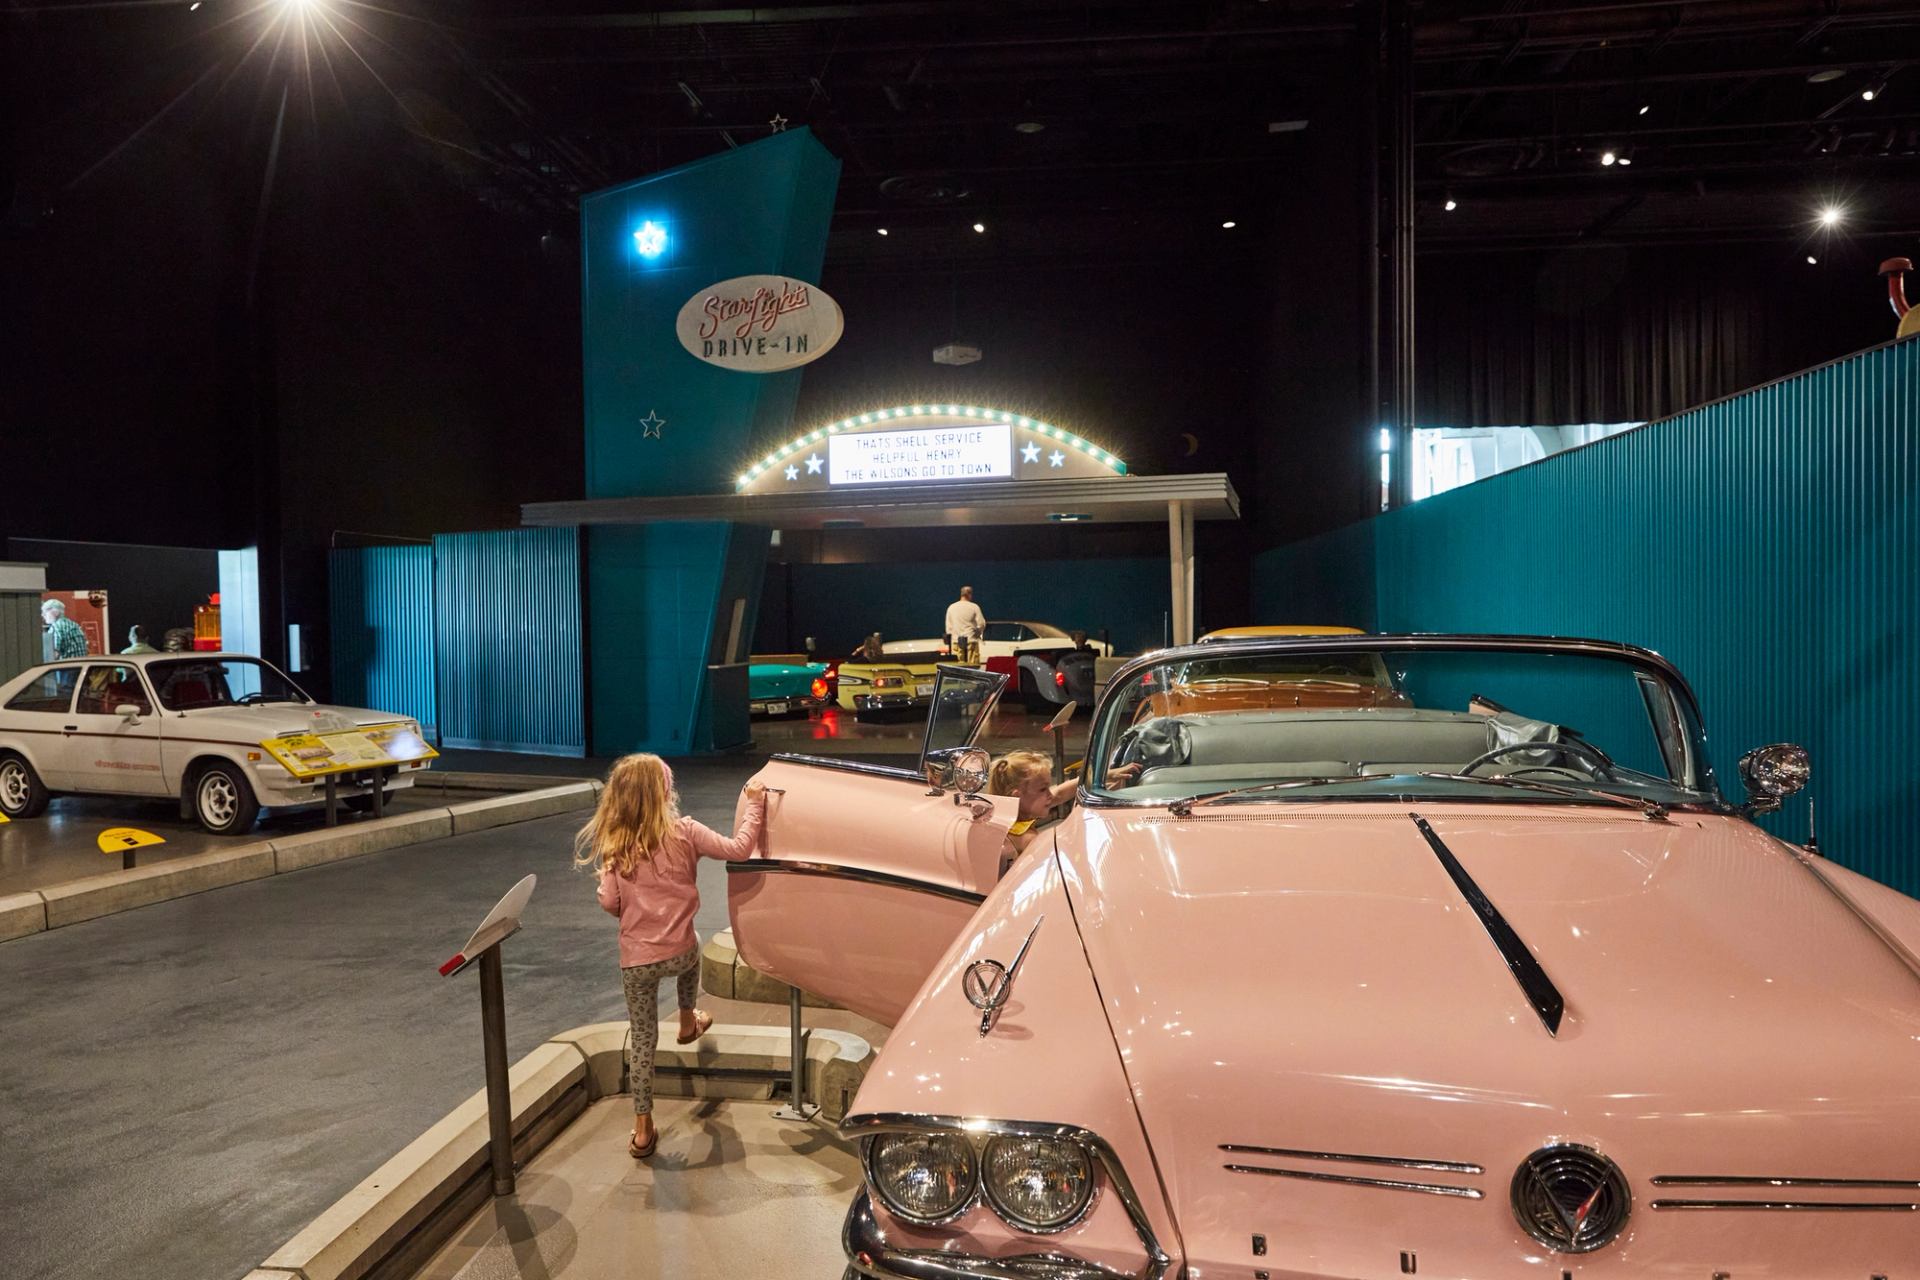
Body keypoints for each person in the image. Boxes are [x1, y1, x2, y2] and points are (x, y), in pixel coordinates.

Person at [575, 754, 768, 1159]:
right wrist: (755, 804)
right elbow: (739, 848)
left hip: (637, 961)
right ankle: (686, 1018)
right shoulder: (687, 832)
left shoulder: (617, 846)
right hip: (680, 953)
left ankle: (643, 1128)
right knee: (691, 943)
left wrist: (628, 910)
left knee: (643, 1039)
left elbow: (609, 901)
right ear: (665, 792)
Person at [987, 750, 1139, 874]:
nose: (1049, 794)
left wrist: (1104, 776)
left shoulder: (1002, 815)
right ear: (1017, 796)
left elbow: (1059, 793)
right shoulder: (1027, 839)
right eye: (1042, 789)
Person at [944, 585, 986, 665]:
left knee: (957, 669)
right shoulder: (974, 607)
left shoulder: (951, 607)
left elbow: (948, 628)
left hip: (956, 643)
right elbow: (981, 624)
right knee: (972, 668)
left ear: (961, 594)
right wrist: (977, 634)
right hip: (971, 641)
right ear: (970, 594)